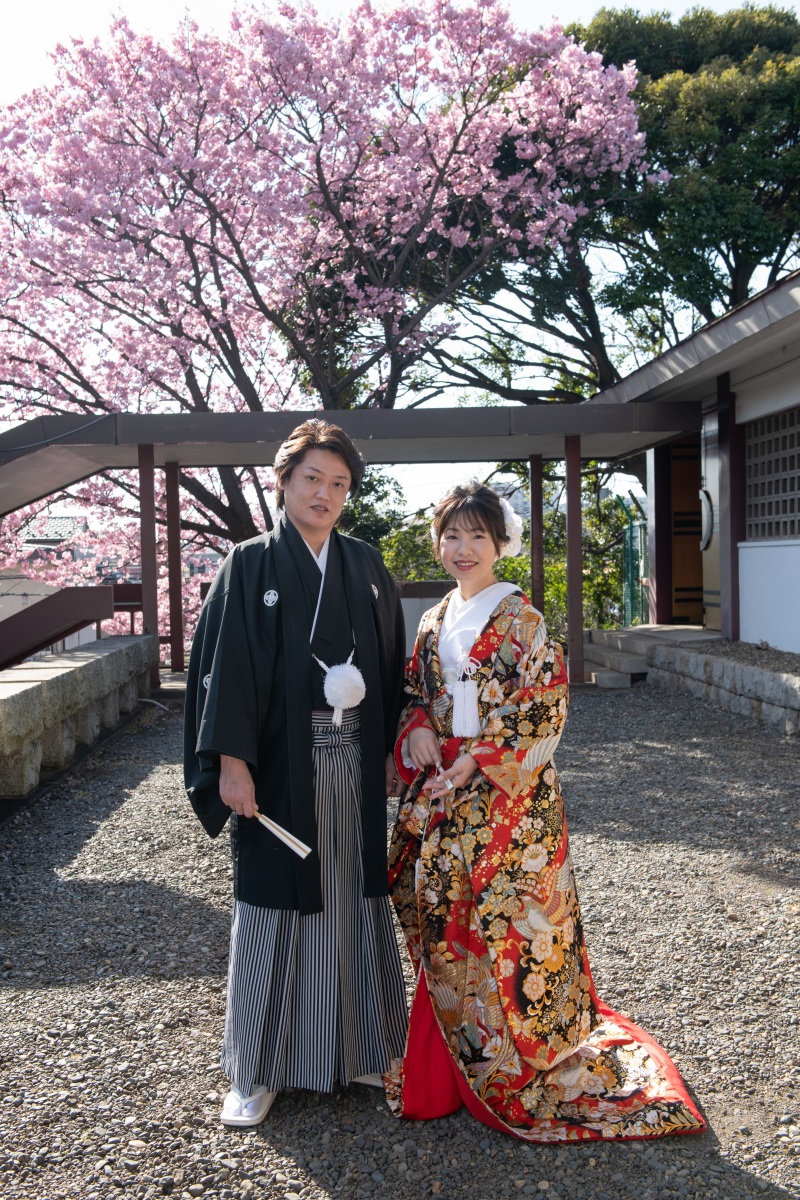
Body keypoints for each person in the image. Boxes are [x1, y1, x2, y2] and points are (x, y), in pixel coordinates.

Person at [386, 482, 705, 1142]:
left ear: (501, 543)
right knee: (446, 919)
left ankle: (523, 1064)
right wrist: (415, 729)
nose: (463, 548)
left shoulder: (524, 621)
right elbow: (414, 695)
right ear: (438, 542)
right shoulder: (433, 620)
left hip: (510, 802)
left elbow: (544, 706)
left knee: (516, 931)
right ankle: (450, 1066)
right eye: (452, 535)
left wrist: (478, 759)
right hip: (443, 787)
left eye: (478, 535)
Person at [184, 419, 408, 1127]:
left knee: (351, 894)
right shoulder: (249, 564)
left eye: (339, 483)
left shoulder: (365, 566)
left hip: (353, 758)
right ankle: (257, 1067)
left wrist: (395, 750)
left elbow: (390, 661)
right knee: (275, 903)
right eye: (312, 478)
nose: (325, 493)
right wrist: (231, 763)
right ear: (283, 482)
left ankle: (362, 1049)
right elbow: (226, 671)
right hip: (279, 767)